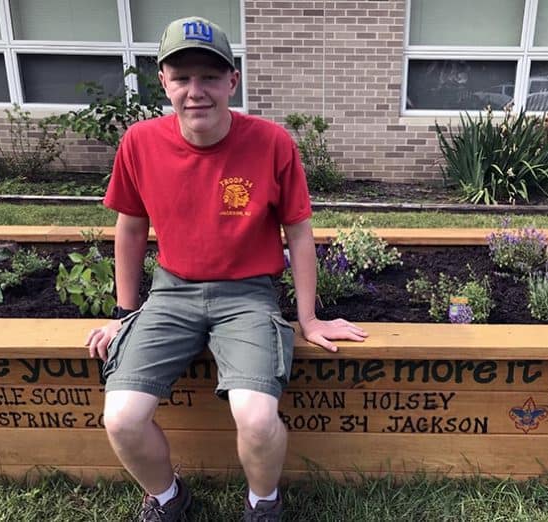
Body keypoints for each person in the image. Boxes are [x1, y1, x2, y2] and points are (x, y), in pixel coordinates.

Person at [85, 15, 368, 522]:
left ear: (232, 81)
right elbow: (130, 230)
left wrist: (309, 319)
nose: (197, 91)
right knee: (122, 418)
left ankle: (263, 504)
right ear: (164, 83)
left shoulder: (272, 142)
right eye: (183, 77)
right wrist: (125, 313)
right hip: (171, 294)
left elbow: (299, 232)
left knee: (257, 419)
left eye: (210, 77)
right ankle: (168, 498)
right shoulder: (140, 143)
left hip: (248, 295)